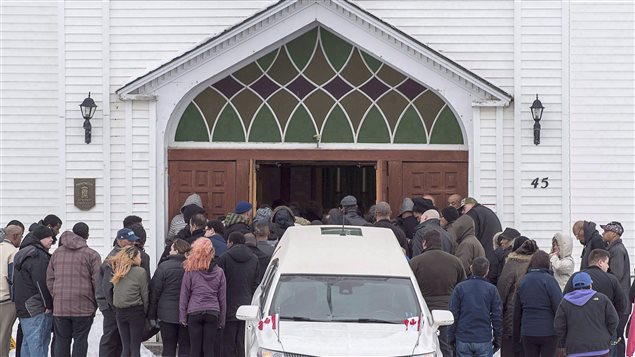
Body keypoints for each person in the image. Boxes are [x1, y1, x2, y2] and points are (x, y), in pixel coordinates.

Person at [46, 225, 102, 357]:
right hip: (84, 307)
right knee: (80, 341)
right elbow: (97, 282)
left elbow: (49, 279)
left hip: (60, 307)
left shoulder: (57, 253)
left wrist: (57, 296)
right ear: (87, 236)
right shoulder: (92, 255)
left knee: (61, 341)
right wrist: (95, 303)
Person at [410, 230, 465, 357]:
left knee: (423, 346)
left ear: (424, 243)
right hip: (449, 311)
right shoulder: (455, 261)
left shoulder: (416, 262)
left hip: (424, 311)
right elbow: (462, 287)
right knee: (446, 345)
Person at [563, 249, 626, 356]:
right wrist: (611, 324)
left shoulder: (575, 278)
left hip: (577, 332)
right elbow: (621, 304)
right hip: (604, 331)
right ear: (600, 262)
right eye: (607, 263)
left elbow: (564, 301)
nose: (608, 267)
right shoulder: (611, 279)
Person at [97, 228, 146, 357]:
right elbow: (107, 287)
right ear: (120, 241)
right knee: (110, 340)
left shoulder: (127, 255)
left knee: (121, 343)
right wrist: (113, 306)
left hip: (118, 307)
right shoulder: (113, 259)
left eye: (133, 241)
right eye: (129, 241)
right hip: (112, 307)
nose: (132, 243)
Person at [12, 225, 55, 357]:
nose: (51, 239)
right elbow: (41, 283)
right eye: (47, 237)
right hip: (36, 306)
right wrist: (48, 304)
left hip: (23, 304)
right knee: (38, 342)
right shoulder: (38, 256)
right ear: (39, 239)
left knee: (27, 342)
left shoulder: (23, 252)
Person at [179, 238, 226, 357]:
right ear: (212, 253)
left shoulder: (190, 270)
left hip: (194, 310)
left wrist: (182, 316)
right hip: (212, 311)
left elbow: (184, 295)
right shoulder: (219, 272)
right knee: (209, 349)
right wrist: (222, 319)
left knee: (194, 348)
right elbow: (222, 298)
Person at [554, 272, 618, 357]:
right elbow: (614, 320)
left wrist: (563, 343)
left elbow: (559, 326)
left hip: (575, 350)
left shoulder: (565, 302)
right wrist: (606, 335)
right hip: (601, 349)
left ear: (573, 286)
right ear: (590, 285)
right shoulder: (602, 299)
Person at [448, 257, 502, 357]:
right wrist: (498, 339)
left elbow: (454, 314)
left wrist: (451, 337)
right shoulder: (492, 290)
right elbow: (497, 317)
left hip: (464, 336)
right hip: (483, 337)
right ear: (487, 271)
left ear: (471, 268)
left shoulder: (460, 288)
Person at [217, 232, 260, 357]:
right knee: (243, 342)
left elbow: (219, 283)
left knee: (227, 344)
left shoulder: (224, 258)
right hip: (247, 306)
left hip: (228, 306)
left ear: (230, 242)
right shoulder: (254, 259)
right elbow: (256, 284)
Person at [512, 250, 562, 356]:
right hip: (548, 331)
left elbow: (516, 312)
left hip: (528, 331)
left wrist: (515, 336)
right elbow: (559, 307)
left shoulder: (523, 281)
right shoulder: (550, 280)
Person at [496, 238, 538, 357]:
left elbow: (502, 292)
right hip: (532, 322)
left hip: (511, 319)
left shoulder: (511, 264)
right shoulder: (538, 265)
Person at [149, 239, 191, 357]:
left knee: (168, 348)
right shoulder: (191, 266)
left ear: (176, 250)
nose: (169, 251)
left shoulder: (164, 267)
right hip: (186, 313)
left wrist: (152, 315)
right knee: (185, 347)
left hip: (166, 314)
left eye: (171, 248)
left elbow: (155, 292)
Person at [110, 246, 149, 357]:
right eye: (139, 257)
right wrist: (145, 312)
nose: (140, 259)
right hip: (135, 311)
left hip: (120, 312)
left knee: (125, 348)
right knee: (135, 348)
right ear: (134, 258)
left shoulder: (118, 271)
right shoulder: (140, 272)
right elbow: (144, 294)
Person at [601, 221, 630, 357]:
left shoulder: (617, 250)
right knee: (616, 338)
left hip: (620, 305)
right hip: (620, 304)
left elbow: (616, 276)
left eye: (606, 231)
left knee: (617, 339)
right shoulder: (613, 248)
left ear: (613, 234)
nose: (603, 233)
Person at [0, 224, 23, 357]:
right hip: (5, 301)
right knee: (3, 337)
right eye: (21, 236)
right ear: (15, 236)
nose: (21, 239)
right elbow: (13, 278)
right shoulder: (12, 252)